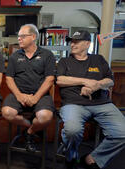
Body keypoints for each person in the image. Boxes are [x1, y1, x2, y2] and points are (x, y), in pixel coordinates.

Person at [56, 30, 125, 169]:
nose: (72, 44)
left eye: (77, 41)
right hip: (74, 104)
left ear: (87, 44)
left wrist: (96, 85)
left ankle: (93, 158)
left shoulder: (98, 59)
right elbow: (60, 80)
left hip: (101, 104)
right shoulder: (65, 61)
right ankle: (71, 155)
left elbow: (110, 81)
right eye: (72, 41)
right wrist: (86, 81)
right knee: (72, 130)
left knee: (122, 133)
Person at [1, 24, 56, 152]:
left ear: (33, 37)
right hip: (18, 94)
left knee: (45, 117)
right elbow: (9, 78)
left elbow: (50, 79)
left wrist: (36, 97)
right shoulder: (15, 56)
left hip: (41, 95)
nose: (19, 39)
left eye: (22, 36)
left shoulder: (47, 55)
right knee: (7, 113)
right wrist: (19, 95)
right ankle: (33, 126)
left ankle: (30, 133)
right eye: (18, 36)